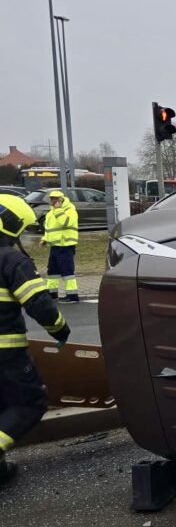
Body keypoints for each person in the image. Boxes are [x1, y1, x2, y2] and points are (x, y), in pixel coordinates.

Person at [0, 194, 71, 484]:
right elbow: (39, 305)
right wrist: (60, 331)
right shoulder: (11, 260)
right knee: (28, 404)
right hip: (5, 354)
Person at [41, 189, 80, 303]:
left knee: (67, 271)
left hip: (65, 245)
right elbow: (49, 229)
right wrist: (44, 239)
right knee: (52, 271)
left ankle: (72, 296)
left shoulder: (70, 210)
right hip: (55, 246)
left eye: (56, 198)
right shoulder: (51, 212)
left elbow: (66, 222)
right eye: (52, 198)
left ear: (62, 199)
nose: (54, 200)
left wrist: (58, 210)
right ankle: (52, 294)